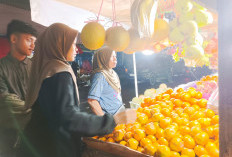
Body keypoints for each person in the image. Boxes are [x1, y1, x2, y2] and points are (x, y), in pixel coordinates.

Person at [17, 23, 136, 157]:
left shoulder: (47, 68)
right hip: (50, 148)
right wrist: (112, 121)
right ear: (59, 45)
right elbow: (69, 118)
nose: (76, 49)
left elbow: (57, 116)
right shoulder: (59, 73)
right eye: (73, 44)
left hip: (40, 143)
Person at [0, 19, 37, 157]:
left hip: (33, 136)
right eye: (29, 40)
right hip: (9, 138)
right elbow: (5, 102)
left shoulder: (35, 67)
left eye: (35, 41)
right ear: (14, 39)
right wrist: (41, 113)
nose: (33, 45)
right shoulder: (1, 67)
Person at [88, 47, 125, 116]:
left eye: (115, 56)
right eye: (112, 56)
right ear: (103, 59)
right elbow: (92, 101)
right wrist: (106, 121)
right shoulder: (100, 76)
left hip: (120, 111)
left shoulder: (113, 73)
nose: (115, 59)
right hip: (111, 117)